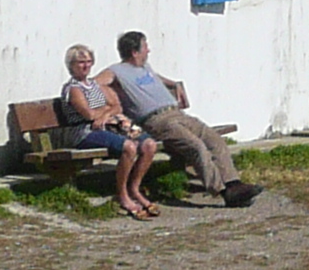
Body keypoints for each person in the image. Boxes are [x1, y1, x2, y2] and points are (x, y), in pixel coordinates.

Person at [106, 31, 260, 207]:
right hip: (158, 120)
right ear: (134, 52)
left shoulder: (145, 68)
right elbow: (96, 82)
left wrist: (175, 84)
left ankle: (234, 184)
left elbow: (157, 79)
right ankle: (223, 192)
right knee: (196, 147)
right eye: (145, 46)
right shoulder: (117, 71)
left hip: (177, 113)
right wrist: (110, 101)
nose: (148, 50)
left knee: (215, 140)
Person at [57, 46, 161, 219]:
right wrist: (107, 110)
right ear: (71, 65)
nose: (85, 66)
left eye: (88, 62)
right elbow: (88, 114)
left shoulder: (94, 84)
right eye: (81, 62)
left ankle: (134, 188)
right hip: (84, 132)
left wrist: (105, 113)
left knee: (149, 144)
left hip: (107, 127)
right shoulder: (72, 88)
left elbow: (117, 105)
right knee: (129, 147)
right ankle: (122, 195)